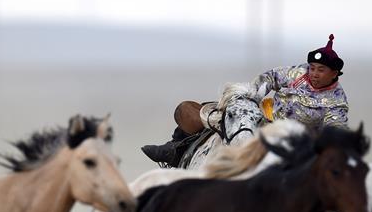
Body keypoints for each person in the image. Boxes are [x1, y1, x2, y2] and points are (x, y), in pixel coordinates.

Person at [142, 34, 349, 166]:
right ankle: (174, 149)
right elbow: (270, 78)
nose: (313, 73)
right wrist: (251, 96)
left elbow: (335, 132)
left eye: (321, 70)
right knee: (221, 112)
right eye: (312, 68)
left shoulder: (336, 103)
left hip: (292, 140)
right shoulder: (297, 73)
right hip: (265, 117)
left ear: (334, 73)